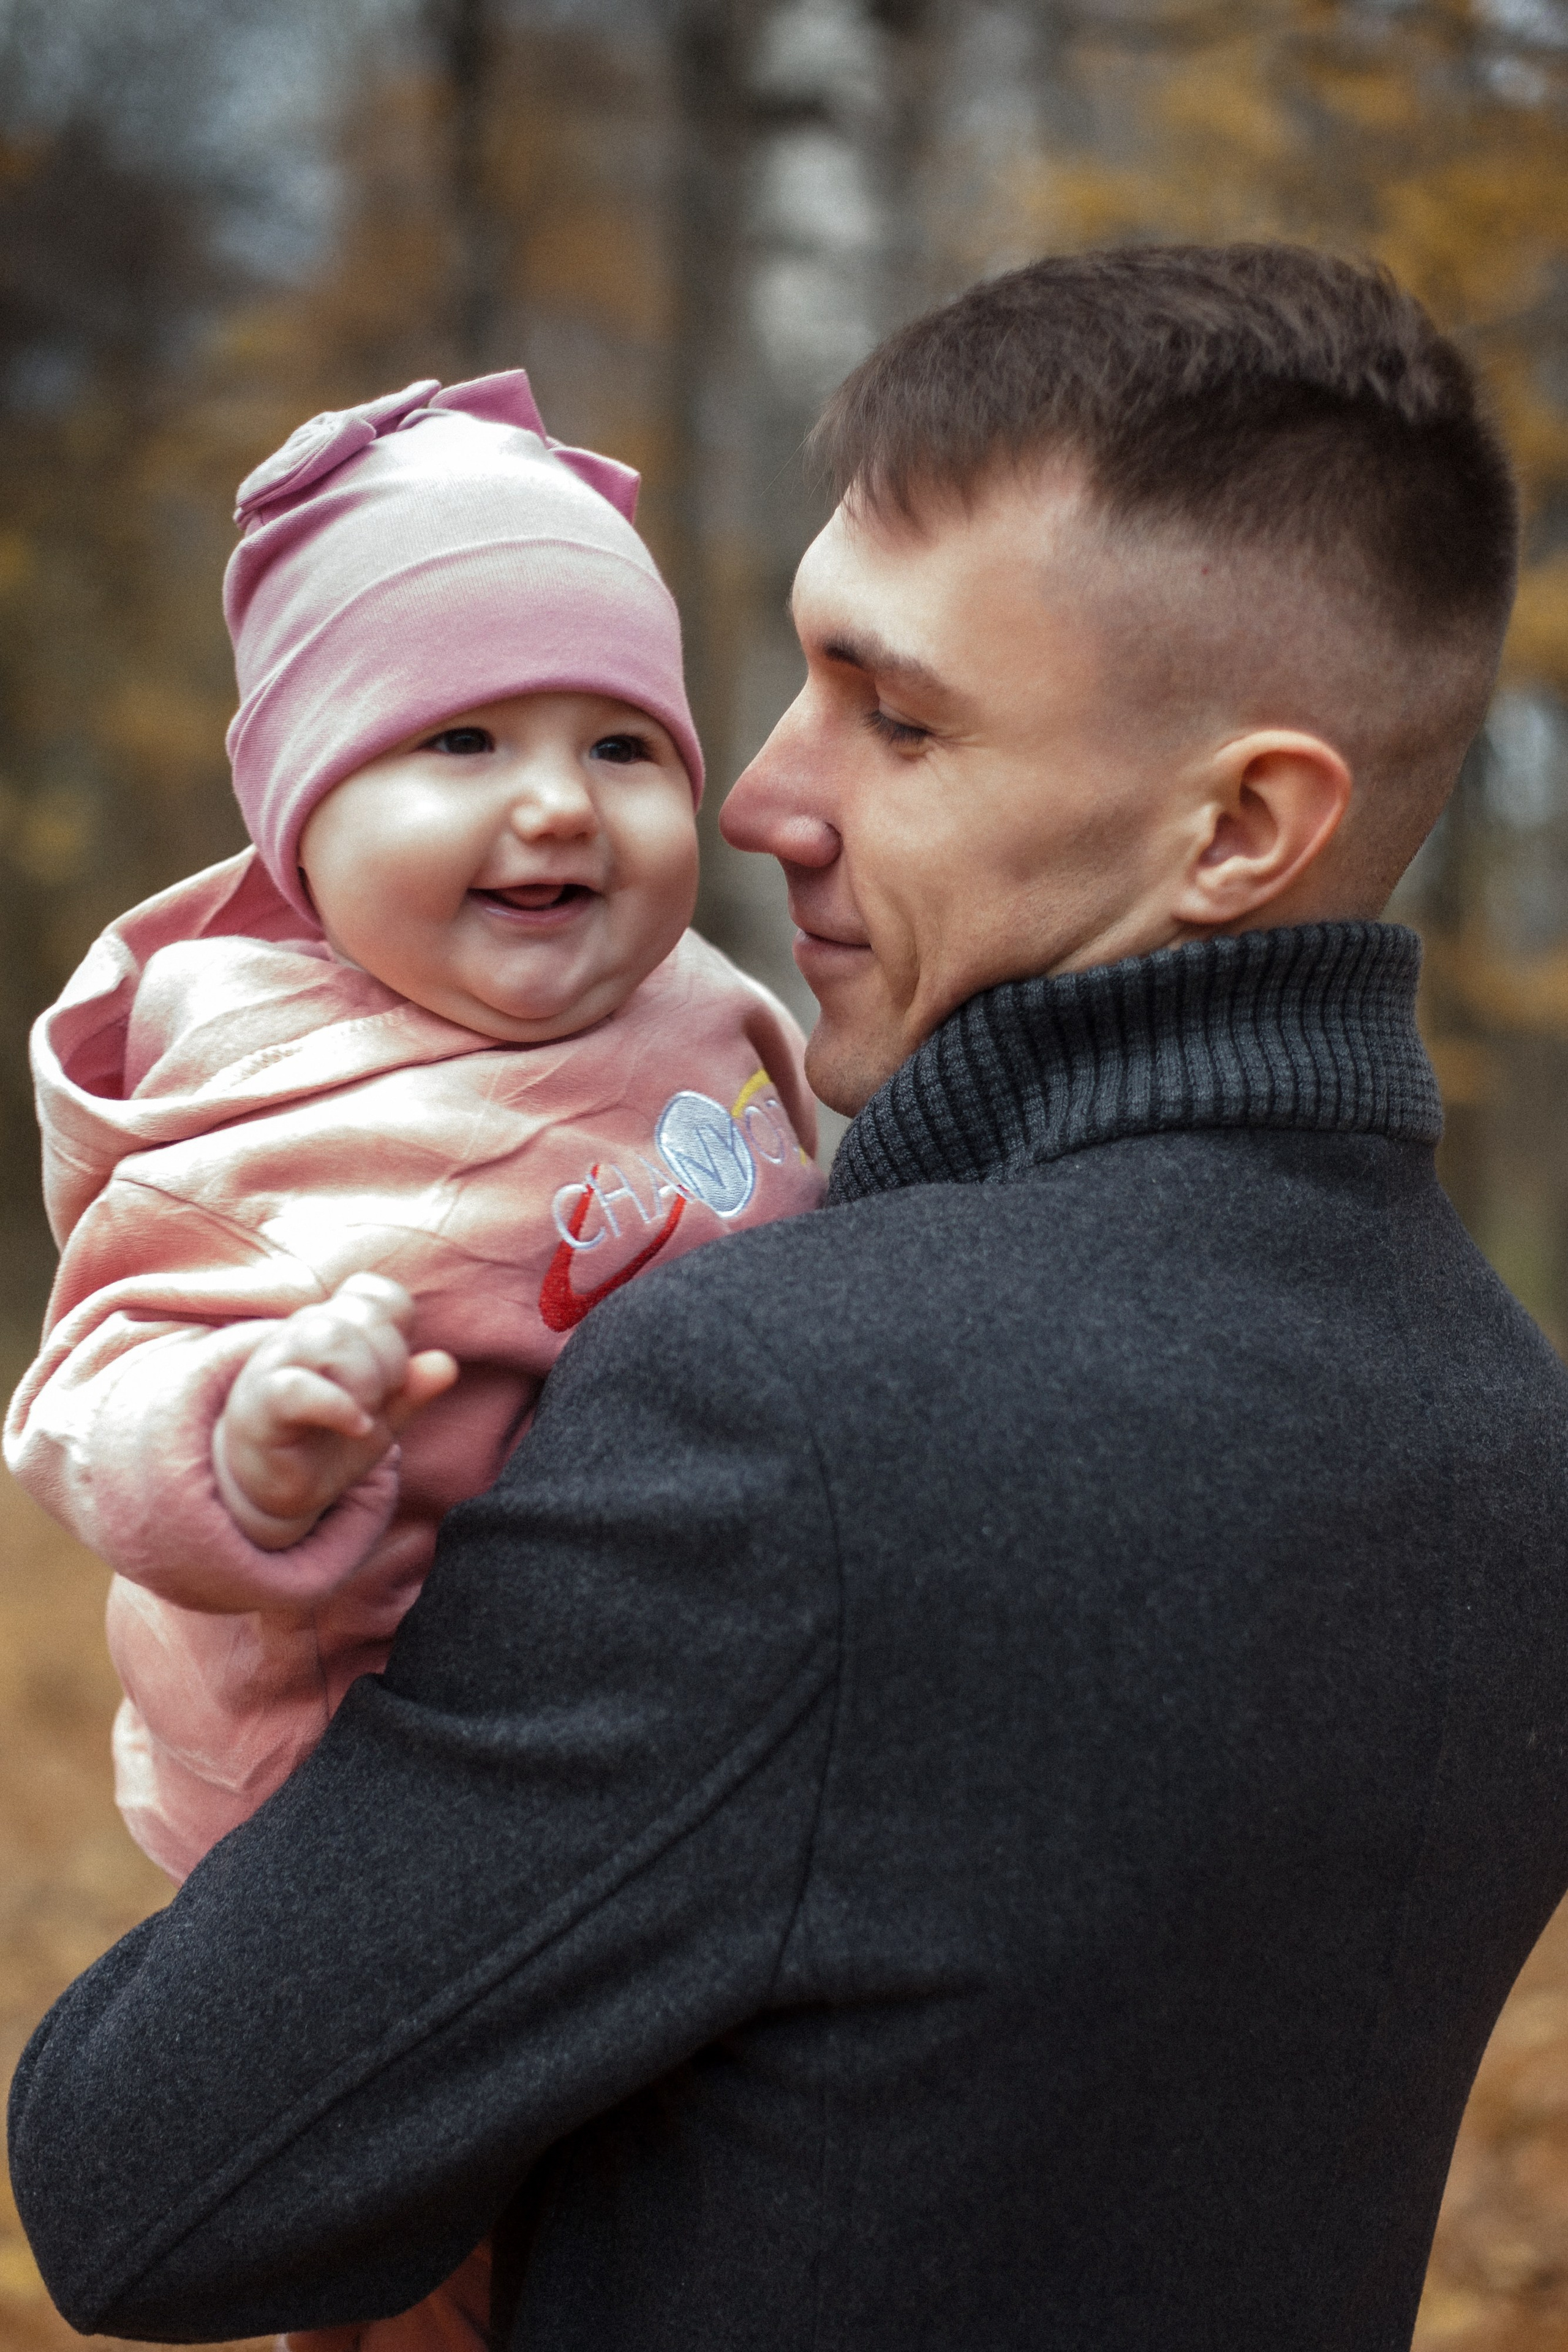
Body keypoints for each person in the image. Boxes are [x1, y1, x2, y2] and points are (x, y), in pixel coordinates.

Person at [10, 244, 1567, 2351]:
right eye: (801, 673)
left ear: (1243, 827)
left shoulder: (795, 1404)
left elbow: (142, 2190)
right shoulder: (1506, 1430)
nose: (756, 798)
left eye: (898, 718)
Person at [1, 369, 821, 2352]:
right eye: (459, 739)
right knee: (427, 2265)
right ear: (301, 814)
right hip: (353, 1766)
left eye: (622, 743)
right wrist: (252, 1444)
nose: (557, 801)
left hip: (664, 1717)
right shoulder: (263, 1099)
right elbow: (88, 1392)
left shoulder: (712, 1015)